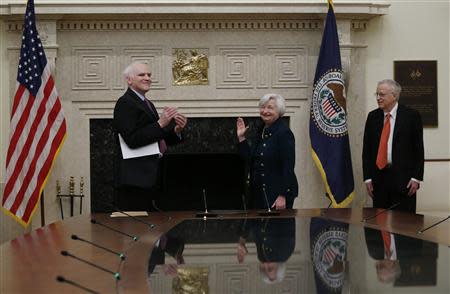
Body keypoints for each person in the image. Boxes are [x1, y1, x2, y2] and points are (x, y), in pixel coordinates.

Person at [113, 61, 187, 211]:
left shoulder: (148, 104)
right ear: (129, 80)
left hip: (151, 178)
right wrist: (161, 123)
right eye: (142, 75)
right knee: (137, 230)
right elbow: (132, 139)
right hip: (135, 181)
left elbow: (157, 139)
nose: (147, 78)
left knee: (153, 231)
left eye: (149, 75)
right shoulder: (124, 103)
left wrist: (176, 131)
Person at [362, 79, 424, 213]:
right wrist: (367, 178)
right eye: (377, 94)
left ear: (394, 96)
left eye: (382, 94)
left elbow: (418, 150)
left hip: (404, 180)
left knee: (404, 226)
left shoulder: (412, 116)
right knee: (380, 224)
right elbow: (366, 151)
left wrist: (416, 178)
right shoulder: (373, 117)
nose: (378, 98)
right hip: (379, 180)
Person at [236, 94, 298, 210]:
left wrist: (282, 195)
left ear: (279, 111)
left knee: (276, 228)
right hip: (259, 194)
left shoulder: (284, 133)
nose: (265, 111)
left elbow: (288, 166)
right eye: (263, 107)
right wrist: (241, 138)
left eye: (270, 108)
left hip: (276, 195)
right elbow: (250, 159)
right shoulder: (262, 130)